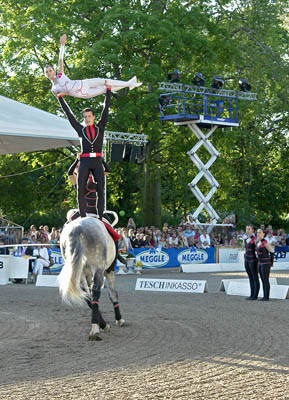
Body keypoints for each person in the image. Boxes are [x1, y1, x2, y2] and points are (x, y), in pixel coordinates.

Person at [58, 83, 111, 220]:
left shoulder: (100, 127)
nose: (87, 119)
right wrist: (60, 98)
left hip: (97, 160)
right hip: (85, 161)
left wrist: (108, 91)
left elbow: (106, 109)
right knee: (80, 189)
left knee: (101, 190)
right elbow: (69, 114)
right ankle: (82, 216)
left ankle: (100, 216)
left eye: (89, 116)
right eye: (85, 117)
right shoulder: (80, 130)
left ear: (94, 117)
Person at [45, 34, 142, 99]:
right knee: (105, 89)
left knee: (105, 81)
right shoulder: (54, 89)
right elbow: (61, 100)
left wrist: (62, 45)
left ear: (54, 71)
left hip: (84, 83)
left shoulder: (60, 75)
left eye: (50, 70)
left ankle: (129, 84)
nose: (49, 73)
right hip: (83, 93)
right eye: (46, 72)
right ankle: (130, 84)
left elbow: (60, 60)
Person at [256, 228, 274, 301]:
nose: (258, 234)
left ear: (263, 234)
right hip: (260, 263)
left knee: (265, 280)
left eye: (260, 232)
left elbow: (272, 252)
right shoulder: (258, 242)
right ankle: (264, 295)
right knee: (262, 279)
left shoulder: (265, 242)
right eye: (257, 232)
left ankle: (266, 296)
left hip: (265, 263)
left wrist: (271, 263)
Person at [243, 225, 259, 300]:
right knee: (250, 277)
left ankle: (255, 295)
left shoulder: (255, 239)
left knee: (254, 277)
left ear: (253, 230)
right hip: (247, 260)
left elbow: (258, 250)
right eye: (247, 229)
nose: (247, 230)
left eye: (249, 229)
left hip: (253, 260)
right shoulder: (245, 239)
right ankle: (251, 294)